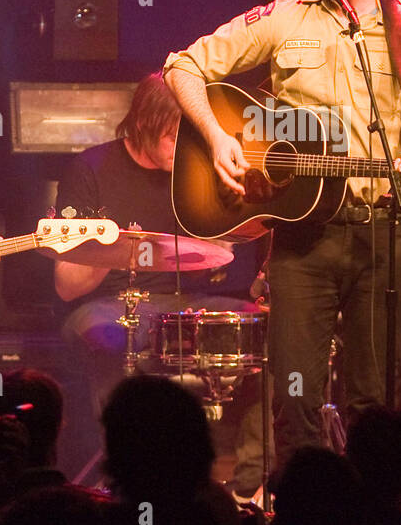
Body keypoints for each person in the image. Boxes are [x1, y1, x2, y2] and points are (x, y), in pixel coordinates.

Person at [163, 0, 401, 472]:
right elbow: (182, 66)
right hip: (303, 234)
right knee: (293, 394)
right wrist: (219, 138)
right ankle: (302, 521)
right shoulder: (281, 17)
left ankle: (371, 519)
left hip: (386, 228)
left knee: (373, 398)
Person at [53, 72, 263, 493]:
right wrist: (104, 249)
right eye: (172, 137)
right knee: (108, 335)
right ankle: (122, 483)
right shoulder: (90, 169)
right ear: (142, 125)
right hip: (116, 302)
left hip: (194, 298)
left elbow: (253, 227)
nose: (182, 149)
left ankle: (252, 485)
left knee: (272, 332)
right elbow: (66, 286)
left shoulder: (199, 165)